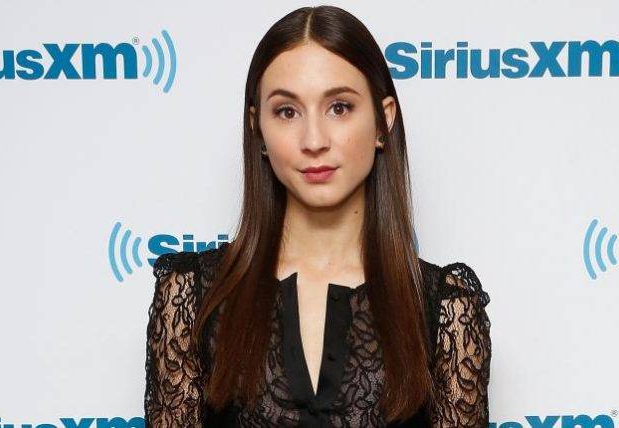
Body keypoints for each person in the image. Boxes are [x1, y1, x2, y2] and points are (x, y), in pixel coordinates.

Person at [144, 5, 491, 427]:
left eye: (339, 107)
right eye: (287, 111)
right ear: (258, 129)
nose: (314, 140)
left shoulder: (446, 309)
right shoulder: (192, 296)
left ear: (383, 122)